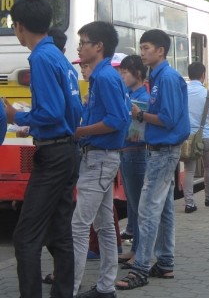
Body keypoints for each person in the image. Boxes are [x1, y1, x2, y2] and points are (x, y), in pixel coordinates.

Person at [4, 0, 82, 298]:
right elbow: (72, 112)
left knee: (25, 238)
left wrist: (17, 115)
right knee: (59, 235)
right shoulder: (59, 58)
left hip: (53, 156)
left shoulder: (39, 57)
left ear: (20, 26)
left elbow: (49, 112)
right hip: (68, 152)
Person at [116, 29, 190, 290]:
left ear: (161, 50)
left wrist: (140, 115)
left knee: (148, 209)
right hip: (162, 149)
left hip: (162, 150)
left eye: (147, 47)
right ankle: (165, 262)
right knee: (165, 209)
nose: (143, 52)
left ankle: (140, 269)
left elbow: (167, 119)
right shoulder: (161, 77)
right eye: (142, 47)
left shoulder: (166, 78)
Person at [72, 21, 130, 298]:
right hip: (102, 159)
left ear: (99, 46)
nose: (80, 48)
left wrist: (81, 131)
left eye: (84, 42)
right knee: (104, 225)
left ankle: (68, 288)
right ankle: (105, 287)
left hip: (99, 159)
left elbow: (117, 120)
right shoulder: (104, 76)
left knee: (79, 225)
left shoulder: (104, 77)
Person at [116, 55, 150, 267]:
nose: (122, 76)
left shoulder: (142, 99)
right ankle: (134, 248)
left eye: (125, 72)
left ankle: (139, 251)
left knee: (139, 206)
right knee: (132, 204)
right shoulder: (128, 93)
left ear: (137, 73)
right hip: (125, 151)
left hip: (136, 152)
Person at [183, 61, 209, 213]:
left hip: (187, 137)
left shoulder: (182, 91)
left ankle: (189, 203)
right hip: (205, 135)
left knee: (189, 170)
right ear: (203, 75)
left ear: (189, 75)